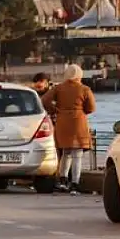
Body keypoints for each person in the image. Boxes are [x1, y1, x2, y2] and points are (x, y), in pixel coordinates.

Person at [40, 64, 96, 195]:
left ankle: (62, 180)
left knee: (66, 152)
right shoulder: (84, 89)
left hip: (62, 121)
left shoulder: (58, 88)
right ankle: (75, 183)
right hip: (78, 122)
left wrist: (55, 110)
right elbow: (91, 108)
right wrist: (81, 111)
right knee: (77, 154)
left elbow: (44, 100)